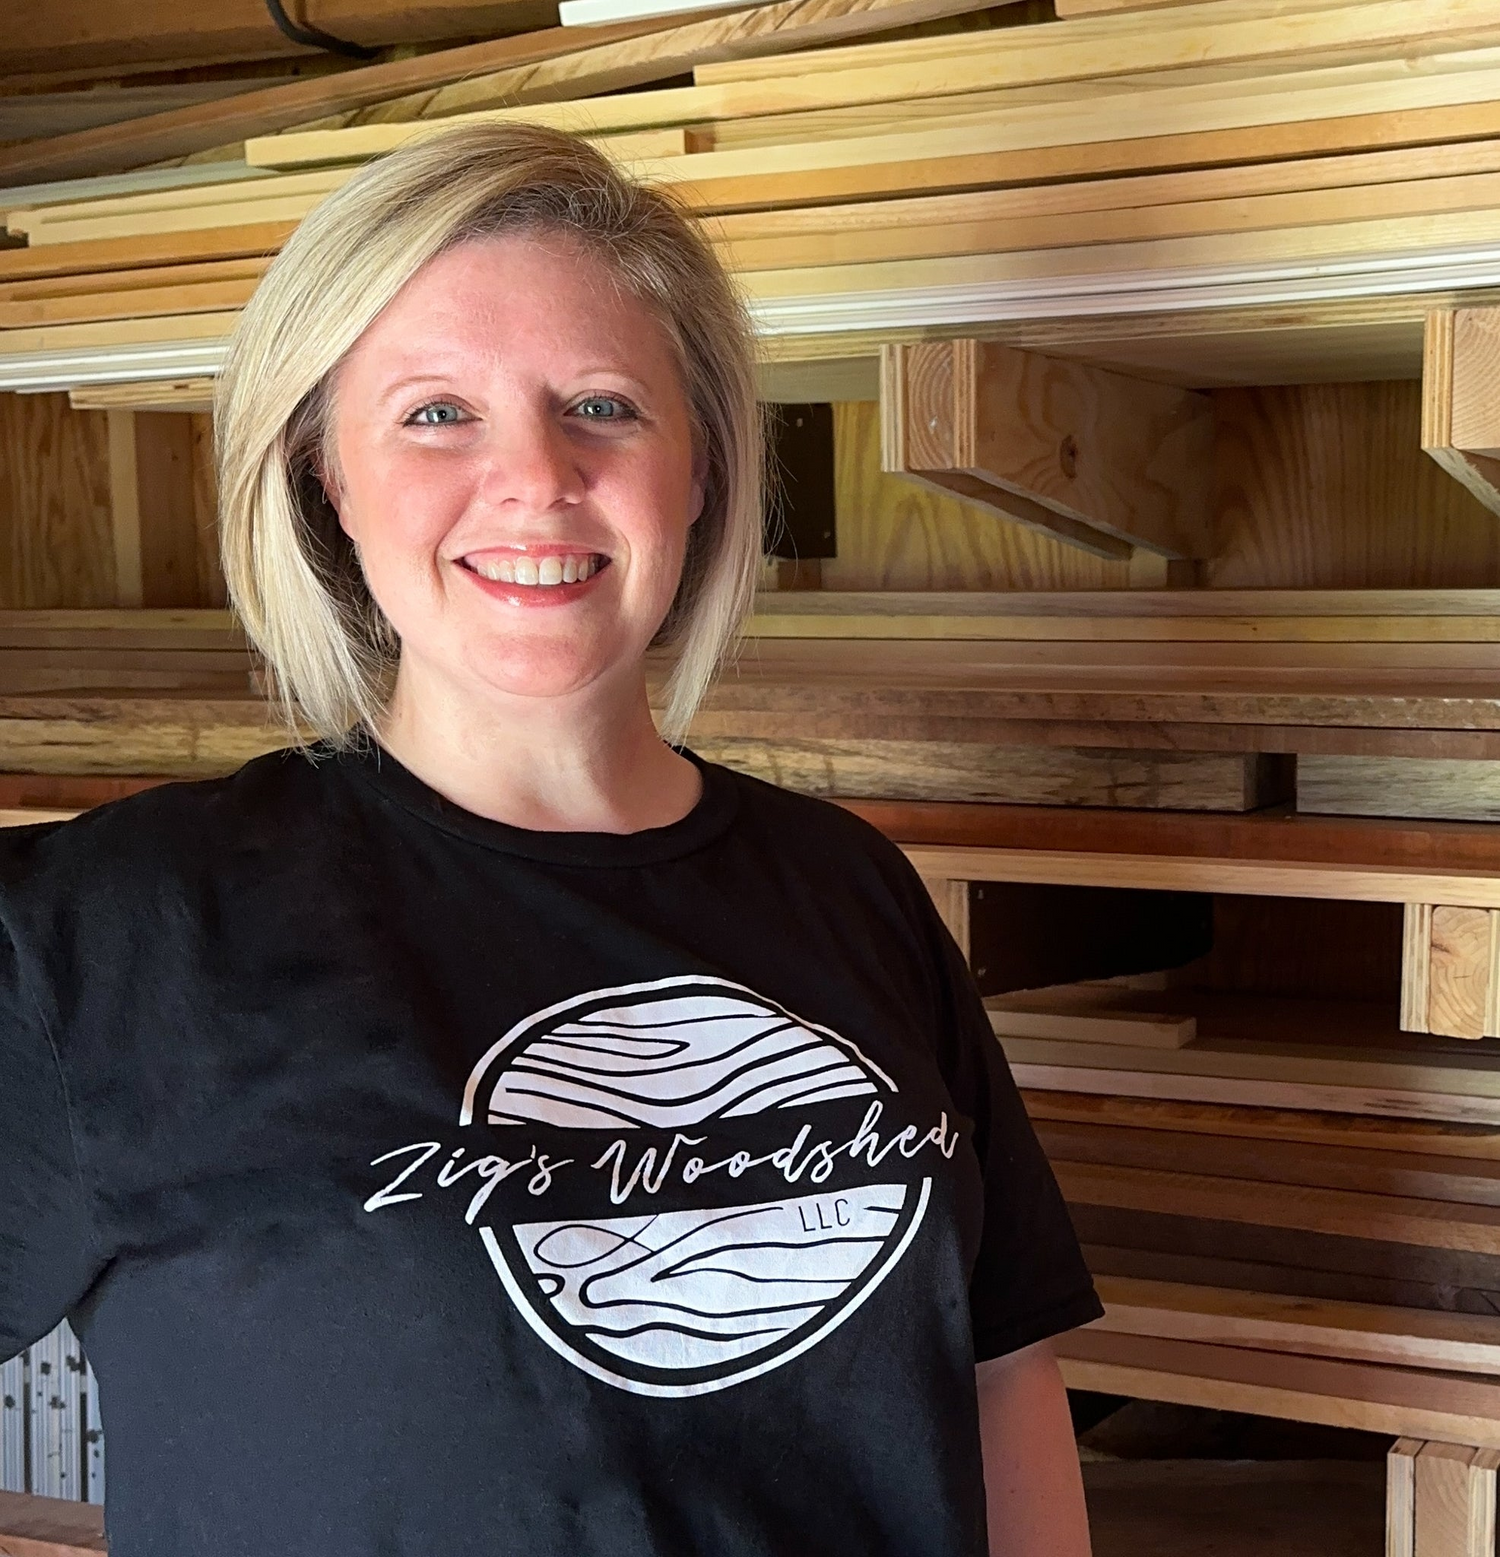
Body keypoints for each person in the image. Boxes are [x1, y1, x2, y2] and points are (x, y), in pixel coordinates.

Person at [0, 122, 1101, 1556]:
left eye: (602, 405)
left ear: (699, 471)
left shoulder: (850, 889)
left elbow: (1001, 1375)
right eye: (436, 414)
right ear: (327, 476)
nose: (534, 476)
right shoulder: (103, 934)